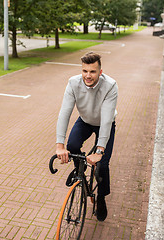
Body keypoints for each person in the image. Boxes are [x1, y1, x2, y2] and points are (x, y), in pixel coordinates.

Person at [56, 51, 118, 221]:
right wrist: (59, 145)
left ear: (100, 72)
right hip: (84, 120)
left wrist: (99, 151)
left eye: (92, 71)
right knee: (73, 146)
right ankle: (80, 172)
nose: (88, 75)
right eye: (85, 71)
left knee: (103, 165)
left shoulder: (110, 86)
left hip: (105, 124)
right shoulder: (73, 83)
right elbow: (64, 113)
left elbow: (106, 121)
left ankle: (101, 198)